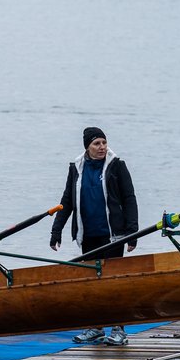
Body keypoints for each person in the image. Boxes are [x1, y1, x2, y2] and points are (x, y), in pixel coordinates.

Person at [49, 126, 139, 346]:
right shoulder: (77, 168)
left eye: (104, 143)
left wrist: (132, 232)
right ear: (87, 147)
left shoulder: (117, 166)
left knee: (112, 283)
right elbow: (67, 201)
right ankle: (96, 328)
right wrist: (56, 230)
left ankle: (119, 330)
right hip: (88, 234)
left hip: (113, 235)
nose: (102, 148)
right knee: (93, 282)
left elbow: (129, 198)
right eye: (97, 144)